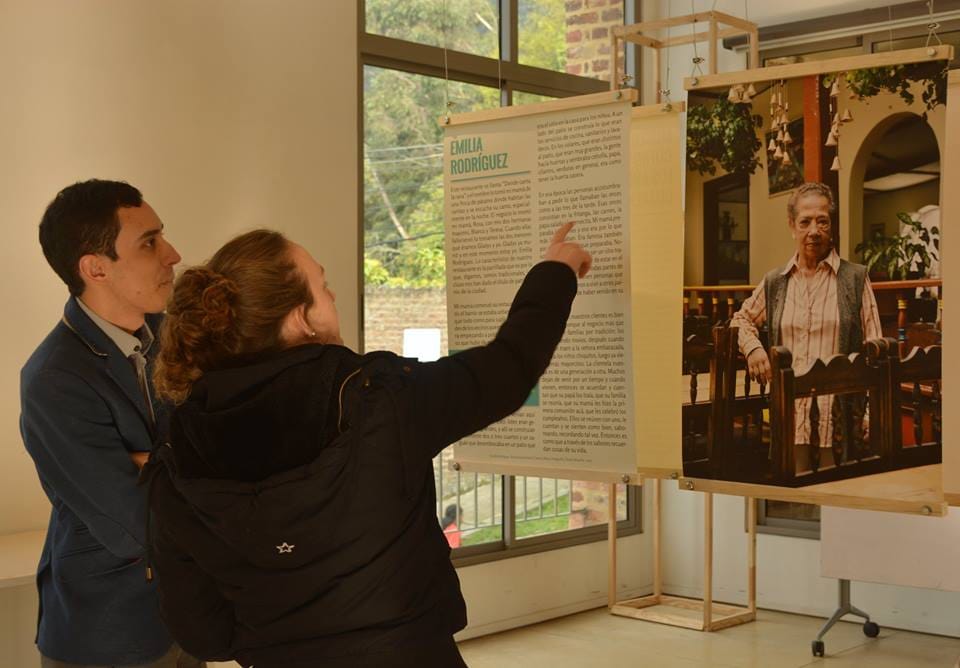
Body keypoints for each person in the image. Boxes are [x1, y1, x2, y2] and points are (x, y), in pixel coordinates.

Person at [145, 222, 591, 667]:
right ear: (300, 318)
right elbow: (506, 370)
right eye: (323, 286)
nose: (333, 296)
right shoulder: (378, 398)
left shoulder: (178, 452)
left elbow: (200, 630)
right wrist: (556, 271)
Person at [19, 180, 201, 666]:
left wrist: (151, 464)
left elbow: (226, 444)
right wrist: (194, 463)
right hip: (108, 635)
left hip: (189, 617)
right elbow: (131, 526)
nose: (173, 254)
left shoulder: (170, 336)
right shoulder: (53, 379)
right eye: (150, 242)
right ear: (95, 268)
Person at [730, 182, 882, 472]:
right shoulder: (776, 281)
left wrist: (870, 415)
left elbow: (876, 349)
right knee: (794, 489)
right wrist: (753, 349)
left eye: (822, 221)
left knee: (837, 494)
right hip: (790, 415)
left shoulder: (855, 280)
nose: (814, 230)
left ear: (831, 225)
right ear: (792, 226)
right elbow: (741, 319)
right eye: (805, 222)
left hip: (838, 419)